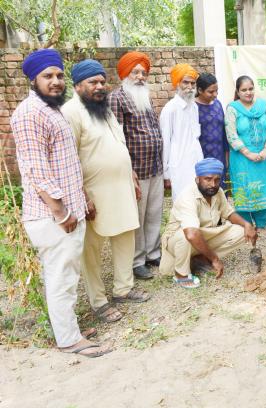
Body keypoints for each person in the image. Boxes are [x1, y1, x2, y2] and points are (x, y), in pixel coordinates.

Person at [11, 49, 111, 357]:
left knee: (65, 273)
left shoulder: (51, 109)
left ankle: (68, 329)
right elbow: (36, 168)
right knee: (60, 276)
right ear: (33, 80)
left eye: (58, 75)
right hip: (52, 215)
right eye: (47, 76)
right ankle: (69, 340)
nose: (55, 82)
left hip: (69, 210)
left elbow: (66, 163)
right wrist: (60, 211)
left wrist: (79, 202)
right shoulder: (30, 113)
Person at [62, 59, 150, 323]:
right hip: (93, 194)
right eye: (93, 82)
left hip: (121, 187)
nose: (99, 86)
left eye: (102, 81)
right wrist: (81, 196)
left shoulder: (105, 109)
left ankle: (123, 289)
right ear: (78, 86)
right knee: (92, 249)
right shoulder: (71, 113)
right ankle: (98, 302)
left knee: (125, 236)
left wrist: (132, 177)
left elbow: (120, 146)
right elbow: (69, 159)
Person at [159, 158, 257, 288]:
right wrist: (215, 259)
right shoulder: (187, 197)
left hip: (203, 234)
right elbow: (192, 234)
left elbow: (228, 213)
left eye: (217, 180)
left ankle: (199, 258)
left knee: (240, 232)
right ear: (197, 179)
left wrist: (247, 224)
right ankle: (181, 275)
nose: (213, 184)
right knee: (185, 236)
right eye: (208, 179)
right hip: (178, 239)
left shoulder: (218, 192)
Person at [109, 51, 163, 280]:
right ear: (125, 74)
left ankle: (153, 253)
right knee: (137, 217)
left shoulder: (145, 96)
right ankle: (137, 260)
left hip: (155, 166)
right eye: (136, 72)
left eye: (144, 73)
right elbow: (116, 137)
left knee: (154, 213)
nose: (141, 77)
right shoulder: (116, 98)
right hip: (135, 170)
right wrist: (127, 170)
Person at [225, 75, 266, 231]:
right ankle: (246, 227)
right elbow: (231, 134)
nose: (248, 92)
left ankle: (261, 226)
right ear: (238, 92)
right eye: (244, 90)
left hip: (264, 158)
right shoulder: (233, 108)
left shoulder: (264, 105)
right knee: (244, 189)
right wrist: (248, 153)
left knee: (263, 188)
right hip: (242, 159)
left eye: (251, 89)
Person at [160, 63, 203, 200]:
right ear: (177, 83)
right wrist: (166, 173)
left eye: (193, 83)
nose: (190, 87)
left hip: (196, 161)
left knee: (198, 200)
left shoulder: (194, 107)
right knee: (182, 202)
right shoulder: (170, 109)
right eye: (186, 83)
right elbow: (165, 142)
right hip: (178, 165)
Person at [196, 73, 228, 185]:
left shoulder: (218, 104)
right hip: (202, 157)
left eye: (216, 91)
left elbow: (224, 133)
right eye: (210, 92)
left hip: (219, 156)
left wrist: (226, 157)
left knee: (220, 190)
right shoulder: (193, 107)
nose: (215, 94)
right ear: (200, 90)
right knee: (206, 189)